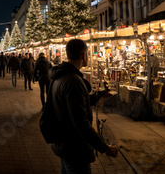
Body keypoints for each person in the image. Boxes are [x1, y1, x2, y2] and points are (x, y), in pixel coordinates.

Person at [49, 39, 117, 173]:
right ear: (83, 55)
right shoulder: (74, 81)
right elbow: (81, 123)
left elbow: (72, 104)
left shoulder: (61, 76)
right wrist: (103, 147)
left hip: (64, 144)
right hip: (75, 149)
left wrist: (96, 97)